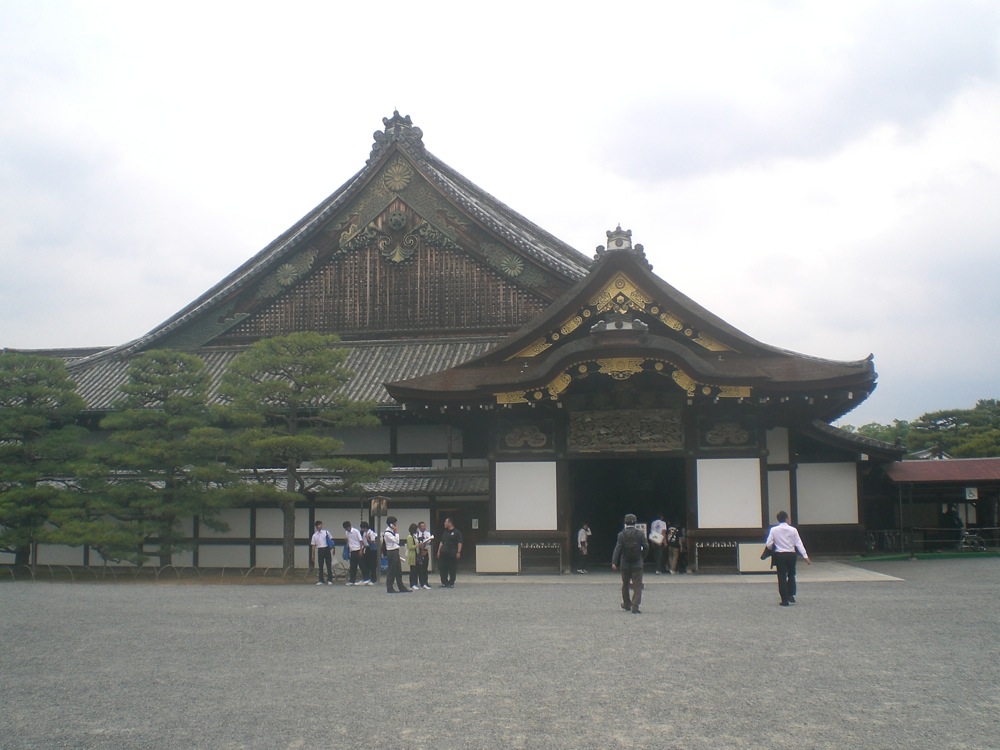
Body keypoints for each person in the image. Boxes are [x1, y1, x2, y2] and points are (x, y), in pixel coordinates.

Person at [764, 510, 810, 606]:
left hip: (780, 555)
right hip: (791, 554)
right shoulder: (793, 530)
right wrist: (805, 556)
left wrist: (773, 547)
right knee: (791, 574)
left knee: (781, 577)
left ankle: (784, 600)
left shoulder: (774, 530)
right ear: (786, 518)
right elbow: (798, 543)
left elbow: (768, 544)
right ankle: (791, 595)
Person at [612, 513, 647, 613]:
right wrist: (641, 556)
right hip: (637, 562)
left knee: (625, 584)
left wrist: (615, 562)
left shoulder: (621, 534)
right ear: (635, 522)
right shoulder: (640, 534)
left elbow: (618, 548)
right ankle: (635, 606)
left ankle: (627, 604)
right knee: (637, 585)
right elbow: (646, 546)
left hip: (625, 562)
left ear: (625, 522)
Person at [382, 516, 410, 593]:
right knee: (392, 570)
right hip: (391, 552)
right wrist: (396, 532)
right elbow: (397, 541)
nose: (396, 524)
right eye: (395, 522)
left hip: (395, 551)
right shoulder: (387, 533)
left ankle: (401, 587)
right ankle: (389, 587)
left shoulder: (392, 531)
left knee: (398, 570)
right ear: (391, 524)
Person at [437, 517, 462, 588]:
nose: (444, 523)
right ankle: (444, 582)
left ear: (450, 523)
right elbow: (441, 542)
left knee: (452, 568)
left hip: (452, 553)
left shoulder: (457, 532)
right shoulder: (445, 532)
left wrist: (458, 552)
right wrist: (439, 551)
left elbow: (460, 542)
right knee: (443, 568)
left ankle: (451, 582)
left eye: (446, 522)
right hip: (443, 553)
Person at [310, 520, 335, 585]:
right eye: (318, 525)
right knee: (320, 565)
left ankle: (330, 579)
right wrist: (313, 554)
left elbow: (331, 540)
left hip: (326, 549)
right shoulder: (314, 535)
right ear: (316, 526)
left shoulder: (326, 532)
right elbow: (313, 545)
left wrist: (333, 548)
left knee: (328, 565)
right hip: (320, 550)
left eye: (320, 525)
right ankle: (321, 580)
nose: (319, 526)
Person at [342, 521, 363, 585]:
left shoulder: (356, 531)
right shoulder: (346, 532)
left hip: (358, 549)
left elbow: (361, 540)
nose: (346, 530)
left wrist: (361, 550)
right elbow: (348, 541)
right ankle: (352, 580)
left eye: (347, 528)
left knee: (361, 565)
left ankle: (366, 578)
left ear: (349, 526)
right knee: (353, 566)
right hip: (352, 550)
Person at [414, 521, 433, 589]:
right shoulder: (416, 534)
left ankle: (426, 582)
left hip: (425, 551)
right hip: (419, 552)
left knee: (425, 567)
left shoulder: (428, 533)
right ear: (419, 527)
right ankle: (421, 582)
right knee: (419, 568)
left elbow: (429, 540)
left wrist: (424, 542)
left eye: (424, 526)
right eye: (422, 526)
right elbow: (417, 541)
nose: (423, 527)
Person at [359, 521, 378, 585]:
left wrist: (368, 539)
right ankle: (367, 578)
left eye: (362, 528)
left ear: (365, 527)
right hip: (366, 548)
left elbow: (373, 542)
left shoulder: (371, 533)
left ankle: (373, 579)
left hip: (371, 549)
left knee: (372, 564)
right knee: (366, 564)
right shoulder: (364, 533)